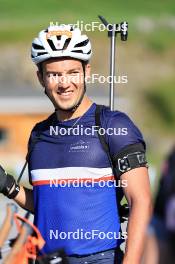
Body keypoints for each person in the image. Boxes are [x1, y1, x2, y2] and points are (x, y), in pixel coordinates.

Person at [0, 24, 152, 264]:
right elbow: (47, 204)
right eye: (54, 74)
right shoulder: (39, 134)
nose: (64, 83)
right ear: (41, 77)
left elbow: (140, 200)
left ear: (87, 72)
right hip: (47, 259)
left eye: (72, 72)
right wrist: (8, 186)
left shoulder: (113, 126)